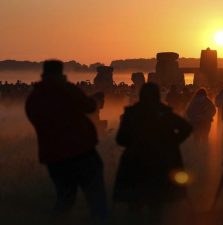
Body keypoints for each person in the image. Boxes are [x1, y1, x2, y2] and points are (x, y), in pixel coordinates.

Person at [25, 60, 108, 221]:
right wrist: (95, 99)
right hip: (81, 151)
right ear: (60, 73)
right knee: (96, 197)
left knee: (65, 199)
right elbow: (89, 107)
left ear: (44, 73)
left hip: (53, 155)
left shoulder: (33, 98)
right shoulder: (67, 90)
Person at [114, 83, 192, 224]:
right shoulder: (165, 114)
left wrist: (134, 143)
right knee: (156, 204)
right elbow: (186, 127)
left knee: (135, 203)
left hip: (135, 162)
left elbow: (120, 139)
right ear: (157, 95)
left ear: (141, 95)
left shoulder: (131, 114)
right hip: (160, 161)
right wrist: (172, 142)